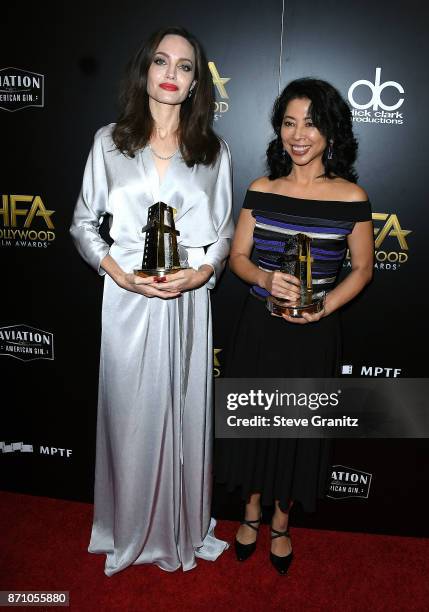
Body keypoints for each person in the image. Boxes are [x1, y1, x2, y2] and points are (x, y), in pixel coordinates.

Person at [70, 26, 234, 576]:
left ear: (194, 84)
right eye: (161, 61)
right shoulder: (109, 143)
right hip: (126, 303)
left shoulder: (213, 152)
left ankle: (183, 528)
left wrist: (200, 274)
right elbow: (82, 224)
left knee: (185, 414)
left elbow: (226, 232)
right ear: (144, 71)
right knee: (128, 418)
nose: (171, 73)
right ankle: (127, 526)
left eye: (185, 66)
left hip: (187, 305)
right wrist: (117, 273)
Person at [215, 78, 374, 574]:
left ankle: (281, 524)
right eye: (288, 122)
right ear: (278, 130)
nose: (298, 134)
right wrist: (264, 276)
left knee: (296, 434)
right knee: (256, 425)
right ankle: (249, 514)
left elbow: (363, 269)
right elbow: (237, 257)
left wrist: (323, 308)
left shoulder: (352, 196)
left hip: (313, 337)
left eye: (310, 122)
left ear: (330, 130)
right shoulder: (261, 190)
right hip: (258, 331)